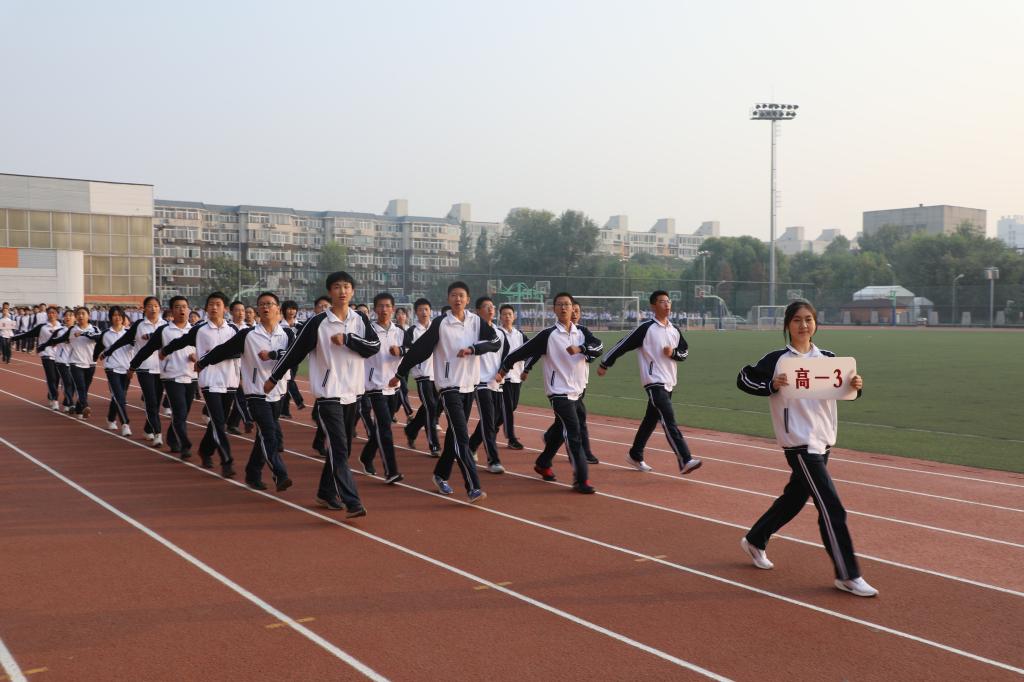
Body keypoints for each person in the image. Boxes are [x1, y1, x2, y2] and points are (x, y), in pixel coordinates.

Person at [736, 300, 876, 597]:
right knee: (831, 506)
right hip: (798, 443)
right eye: (797, 320)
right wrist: (771, 385)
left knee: (795, 498)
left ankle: (756, 539)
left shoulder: (828, 358)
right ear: (787, 325)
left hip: (823, 440)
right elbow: (744, 378)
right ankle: (847, 574)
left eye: (809, 319)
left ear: (816, 324)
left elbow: (848, 389)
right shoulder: (777, 360)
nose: (803, 325)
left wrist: (856, 385)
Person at [266, 271, 377, 518]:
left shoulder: (360, 320)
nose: (342, 291)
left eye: (346, 286)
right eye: (337, 287)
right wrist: (274, 377)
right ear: (330, 292)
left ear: (353, 291)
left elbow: (373, 347)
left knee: (343, 449)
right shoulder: (317, 323)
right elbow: (294, 352)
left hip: (353, 393)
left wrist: (348, 339)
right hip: (328, 395)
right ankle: (352, 501)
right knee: (338, 448)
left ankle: (325, 492)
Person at [391, 281, 498, 503]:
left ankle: (440, 474)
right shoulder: (441, 324)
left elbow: (495, 342)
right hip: (449, 387)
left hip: (469, 386)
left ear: (468, 299)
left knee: (453, 437)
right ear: (448, 299)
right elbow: (420, 350)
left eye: (461, 295)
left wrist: (474, 349)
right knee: (462, 437)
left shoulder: (476, 321)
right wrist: (400, 372)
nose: (458, 299)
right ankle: (473, 487)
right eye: (454, 295)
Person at [497, 293, 602, 493]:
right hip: (558, 392)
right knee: (574, 432)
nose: (564, 308)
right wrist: (504, 368)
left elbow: (599, 346)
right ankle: (581, 479)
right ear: (554, 309)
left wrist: (581, 348)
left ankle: (543, 463)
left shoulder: (582, 332)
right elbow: (522, 351)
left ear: (573, 308)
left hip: (577, 391)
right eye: (560, 305)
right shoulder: (548, 335)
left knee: (560, 431)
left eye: (567, 304)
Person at [598, 290, 702, 476]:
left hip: (669, 382)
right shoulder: (646, 328)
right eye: (662, 301)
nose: (667, 304)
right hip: (654, 382)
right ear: (653, 306)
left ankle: (635, 454)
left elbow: (684, 352)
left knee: (650, 421)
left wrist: (673, 353)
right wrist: (605, 363)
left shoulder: (674, 330)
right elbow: (623, 345)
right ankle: (685, 459)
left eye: (668, 301)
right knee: (668, 419)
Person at [198, 291, 292, 492]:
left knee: (263, 436)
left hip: (278, 391)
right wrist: (203, 361)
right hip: (256, 392)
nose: (265, 307)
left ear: (278, 308)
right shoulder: (248, 335)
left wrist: (273, 354)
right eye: (262, 304)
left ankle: (252, 473)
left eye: (269, 304)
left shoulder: (287, 334)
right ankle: (280, 473)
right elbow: (223, 349)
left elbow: (293, 355)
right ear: (258, 310)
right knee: (270, 434)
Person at [161, 292, 239, 473]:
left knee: (218, 422)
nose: (214, 307)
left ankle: (205, 451)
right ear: (206, 308)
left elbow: (238, 352)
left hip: (229, 380)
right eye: (211, 304)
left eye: (218, 304)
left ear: (225, 309)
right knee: (218, 422)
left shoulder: (233, 330)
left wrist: (214, 355)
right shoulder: (200, 330)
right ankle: (227, 461)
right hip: (209, 381)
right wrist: (166, 350)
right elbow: (181, 341)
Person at [129, 296, 209, 467]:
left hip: (191, 376)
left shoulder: (196, 331)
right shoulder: (164, 331)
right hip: (171, 376)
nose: (182, 310)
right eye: (178, 307)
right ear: (172, 310)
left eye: (184, 307)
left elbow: (205, 351)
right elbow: (147, 350)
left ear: (189, 309)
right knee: (179, 412)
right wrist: (133, 366)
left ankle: (172, 438)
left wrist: (197, 357)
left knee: (184, 413)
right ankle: (185, 445)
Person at [525, 302, 602, 464]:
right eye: (572, 310)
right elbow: (537, 351)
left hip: (579, 384)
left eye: (577, 311)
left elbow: (595, 350)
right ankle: (581, 454)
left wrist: (585, 351)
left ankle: (549, 445)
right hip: (560, 387)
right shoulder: (553, 334)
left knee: (565, 422)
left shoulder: (582, 333)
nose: (574, 314)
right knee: (575, 421)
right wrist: (527, 368)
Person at [103, 296, 167, 446]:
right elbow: (124, 340)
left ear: (160, 308)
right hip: (144, 368)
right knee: (151, 402)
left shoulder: (165, 325)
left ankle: (148, 429)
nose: (153, 308)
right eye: (150, 306)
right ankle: (158, 434)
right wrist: (109, 351)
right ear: (144, 308)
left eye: (156, 306)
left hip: (162, 369)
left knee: (157, 402)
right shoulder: (139, 325)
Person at [356, 292, 405, 484]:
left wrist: (401, 351)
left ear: (393, 309)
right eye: (380, 306)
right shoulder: (368, 330)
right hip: (375, 385)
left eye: (387, 306)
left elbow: (411, 350)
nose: (384, 309)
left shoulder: (399, 331)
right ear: (375, 309)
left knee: (382, 427)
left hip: (393, 385)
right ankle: (391, 471)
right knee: (385, 428)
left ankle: (366, 456)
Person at [468, 296, 506, 474]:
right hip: (480, 382)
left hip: (496, 382)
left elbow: (505, 355)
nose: (491, 309)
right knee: (489, 421)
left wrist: (502, 372)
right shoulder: (472, 332)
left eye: (492, 306)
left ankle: (471, 446)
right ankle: (493, 460)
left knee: (495, 419)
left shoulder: (499, 333)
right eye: (486, 306)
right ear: (477, 311)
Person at [402, 297, 441, 456]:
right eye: (420, 310)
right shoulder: (412, 331)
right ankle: (434, 445)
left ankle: (411, 430)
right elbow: (407, 350)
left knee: (430, 407)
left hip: (438, 375)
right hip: (422, 375)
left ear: (430, 311)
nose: (424, 312)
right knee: (430, 407)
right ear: (415, 312)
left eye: (426, 309)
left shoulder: (438, 328)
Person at [12, 306, 64, 407]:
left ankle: (50, 395)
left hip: (59, 356)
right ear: (47, 314)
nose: (51, 314)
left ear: (57, 314)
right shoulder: (42, 327)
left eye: (53, 313)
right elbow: (28, 334)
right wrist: (13, 338)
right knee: (51, 377)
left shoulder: (62, 327)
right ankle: (55, 399)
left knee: (57, 378)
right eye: (49, 313)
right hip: (46, 354)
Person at [494, 304, 527, 450]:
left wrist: (526, 368)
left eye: (510, 314)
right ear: (500, 317)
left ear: (514, 317)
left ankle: (491, 427)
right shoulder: (497, 334)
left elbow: (530, 351)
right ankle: (511, 438)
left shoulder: (520, 335)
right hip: (503, 376)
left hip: (517, 376)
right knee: (507, 407)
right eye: (504, 314)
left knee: (512, 406)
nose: (507, 316)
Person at [95, 307, 133, 436]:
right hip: (111, 368)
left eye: (119, 315)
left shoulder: (129, 333)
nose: (117, 318)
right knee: (119, 397)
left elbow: (137, 346)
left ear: (123, 317)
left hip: (126, 369)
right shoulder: (106, 333)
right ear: (110, 318)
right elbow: (98, 348)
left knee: (119, 396)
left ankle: (111, 418)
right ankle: (125, 424)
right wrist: (94, 358)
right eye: (114, 315)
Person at [226, 300, 255, 435]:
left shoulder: (250, 329)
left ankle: (233, 423)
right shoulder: (227, 328)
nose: (241, 313)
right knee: (237, 396)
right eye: (238, 310)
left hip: (245, 367)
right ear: (231, 312)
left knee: (243, 395)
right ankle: (245, 420)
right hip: (229, 367)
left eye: (243, 310)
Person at [278, 300, 306, 418]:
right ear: (284, 310)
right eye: (289, 308)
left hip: (295, 358)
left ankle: (285, 410)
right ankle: (297, 401)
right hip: (282, 357)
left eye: (293, 309)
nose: (291, 311)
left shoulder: (301, 326)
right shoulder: (279, 326)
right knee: (287, 380)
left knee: (289, 380)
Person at [391, 306, 415, 419]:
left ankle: (392, 411)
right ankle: (409, 413)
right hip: (396, 364)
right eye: (398, 313)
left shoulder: (410, 329)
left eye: (403, 314)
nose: (401, 316)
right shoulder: (393, 329)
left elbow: (412, 347)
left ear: (407, 316)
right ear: (395, 316)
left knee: (400, 390)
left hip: (407, 363)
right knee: (403, 388)